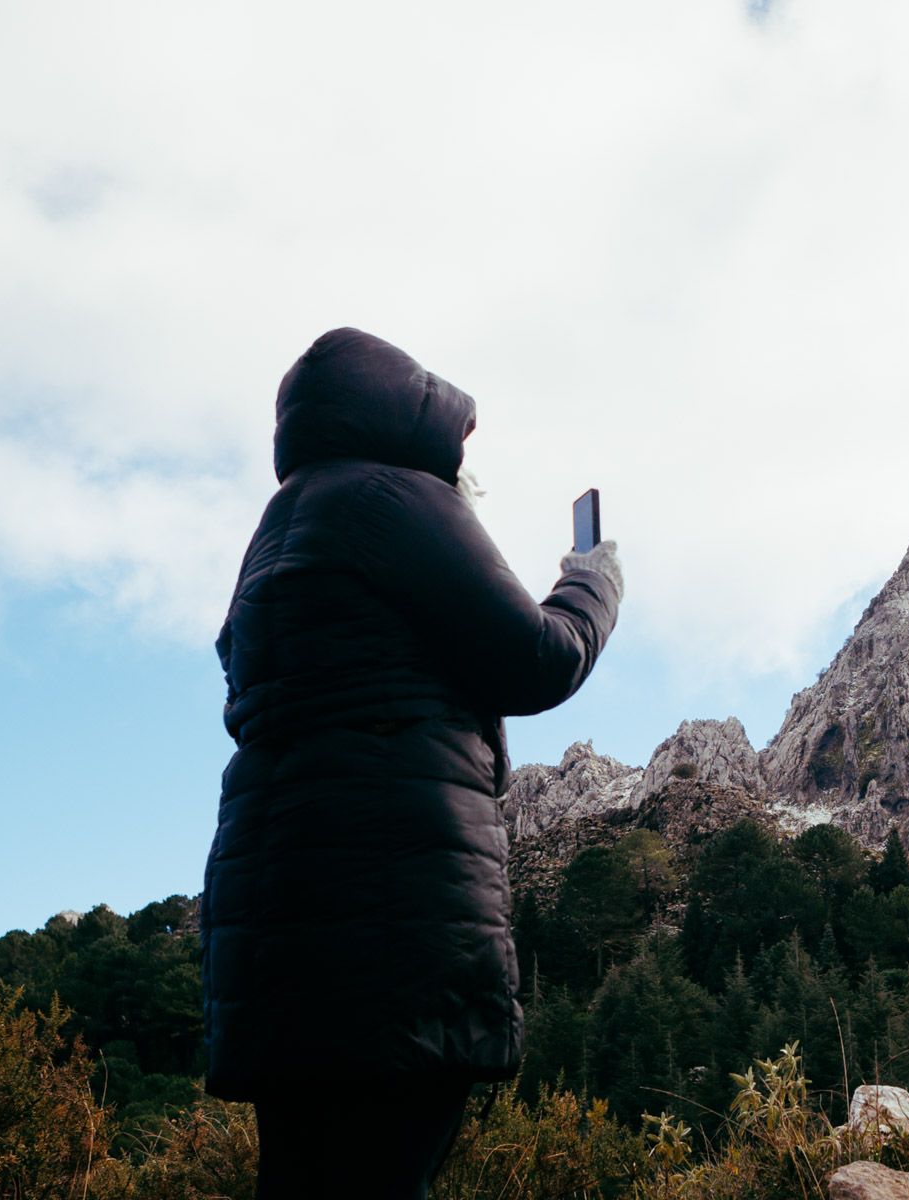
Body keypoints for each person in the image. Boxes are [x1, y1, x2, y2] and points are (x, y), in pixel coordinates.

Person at [200, 327, 621, 1198]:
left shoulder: (277, 527)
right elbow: (540, 658)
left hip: (273, 935)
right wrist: (592, 577)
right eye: (455, 437)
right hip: (392, 927)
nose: (464, 457)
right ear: (406, 418)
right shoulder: (395, 499)